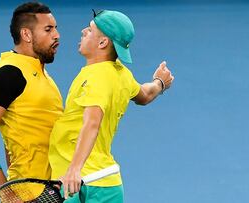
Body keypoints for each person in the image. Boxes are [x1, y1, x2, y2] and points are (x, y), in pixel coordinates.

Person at [48, 10, 174, 202]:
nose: (83, 31)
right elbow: (145, 95)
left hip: (82, 186)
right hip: (108, 182)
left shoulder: (96, 77)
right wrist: (159, 83)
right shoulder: (121, 74)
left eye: (90, 30)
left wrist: (74, 169)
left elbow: (92, 123)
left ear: (102, 42)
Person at [0, 1, 63, 188]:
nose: (56, 35)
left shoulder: (42, 74)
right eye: (48, 29)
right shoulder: (9, 74)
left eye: (56, 28)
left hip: (54, 189)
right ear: (26, 34)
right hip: (31, 193)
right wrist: (5, 191)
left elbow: (13, 135)